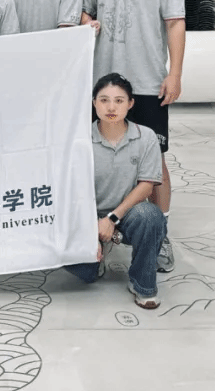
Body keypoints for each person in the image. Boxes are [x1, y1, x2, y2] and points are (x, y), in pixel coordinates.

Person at [81, 0, 185, 274]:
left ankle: (160, 233)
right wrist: (87, 22)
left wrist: (174, 73)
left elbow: (175, 21)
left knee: (155, 161)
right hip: (103, 85)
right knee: (94, 157)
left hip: (147, 82)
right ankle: (96, 229)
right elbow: (84, 12)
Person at [65, 73, 166, 309]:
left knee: (150, 216)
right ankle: (96, 257)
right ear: (94, 103)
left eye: (119, 101)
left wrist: (111, 220)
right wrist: (90, 228)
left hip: (127, 214)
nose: (111, 107)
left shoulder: (146, 137)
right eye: (104, 100)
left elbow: (146, 186)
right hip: (87, 215)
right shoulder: (79, 139)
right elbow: (72, 189)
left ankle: (143, 286)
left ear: (130, 103)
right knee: (83, 271)